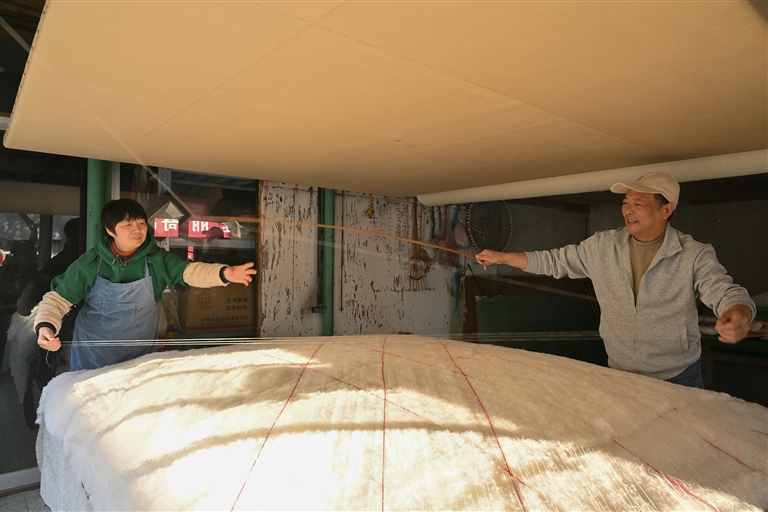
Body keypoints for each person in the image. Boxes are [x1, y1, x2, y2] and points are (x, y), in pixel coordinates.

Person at [475, 172, 756, 389]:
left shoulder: (693, 254)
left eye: (638, 204)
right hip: (620, 374)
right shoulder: (603, 246)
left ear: (666, 210)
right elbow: (555, 260)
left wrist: (738, 315)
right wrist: (505, 258)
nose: (628, 210)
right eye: (626, 203)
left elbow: (726, 293)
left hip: (678, 377)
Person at [34, 199, 257, 371]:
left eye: (141, 223)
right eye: (127, 225)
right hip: (95, 356)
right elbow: (58, 299)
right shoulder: (91, 263)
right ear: (110, 231)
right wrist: (46, 327)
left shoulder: (156, 259)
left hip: (140, 356)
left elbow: (189, 272)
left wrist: (225, 273)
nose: (137, 230)